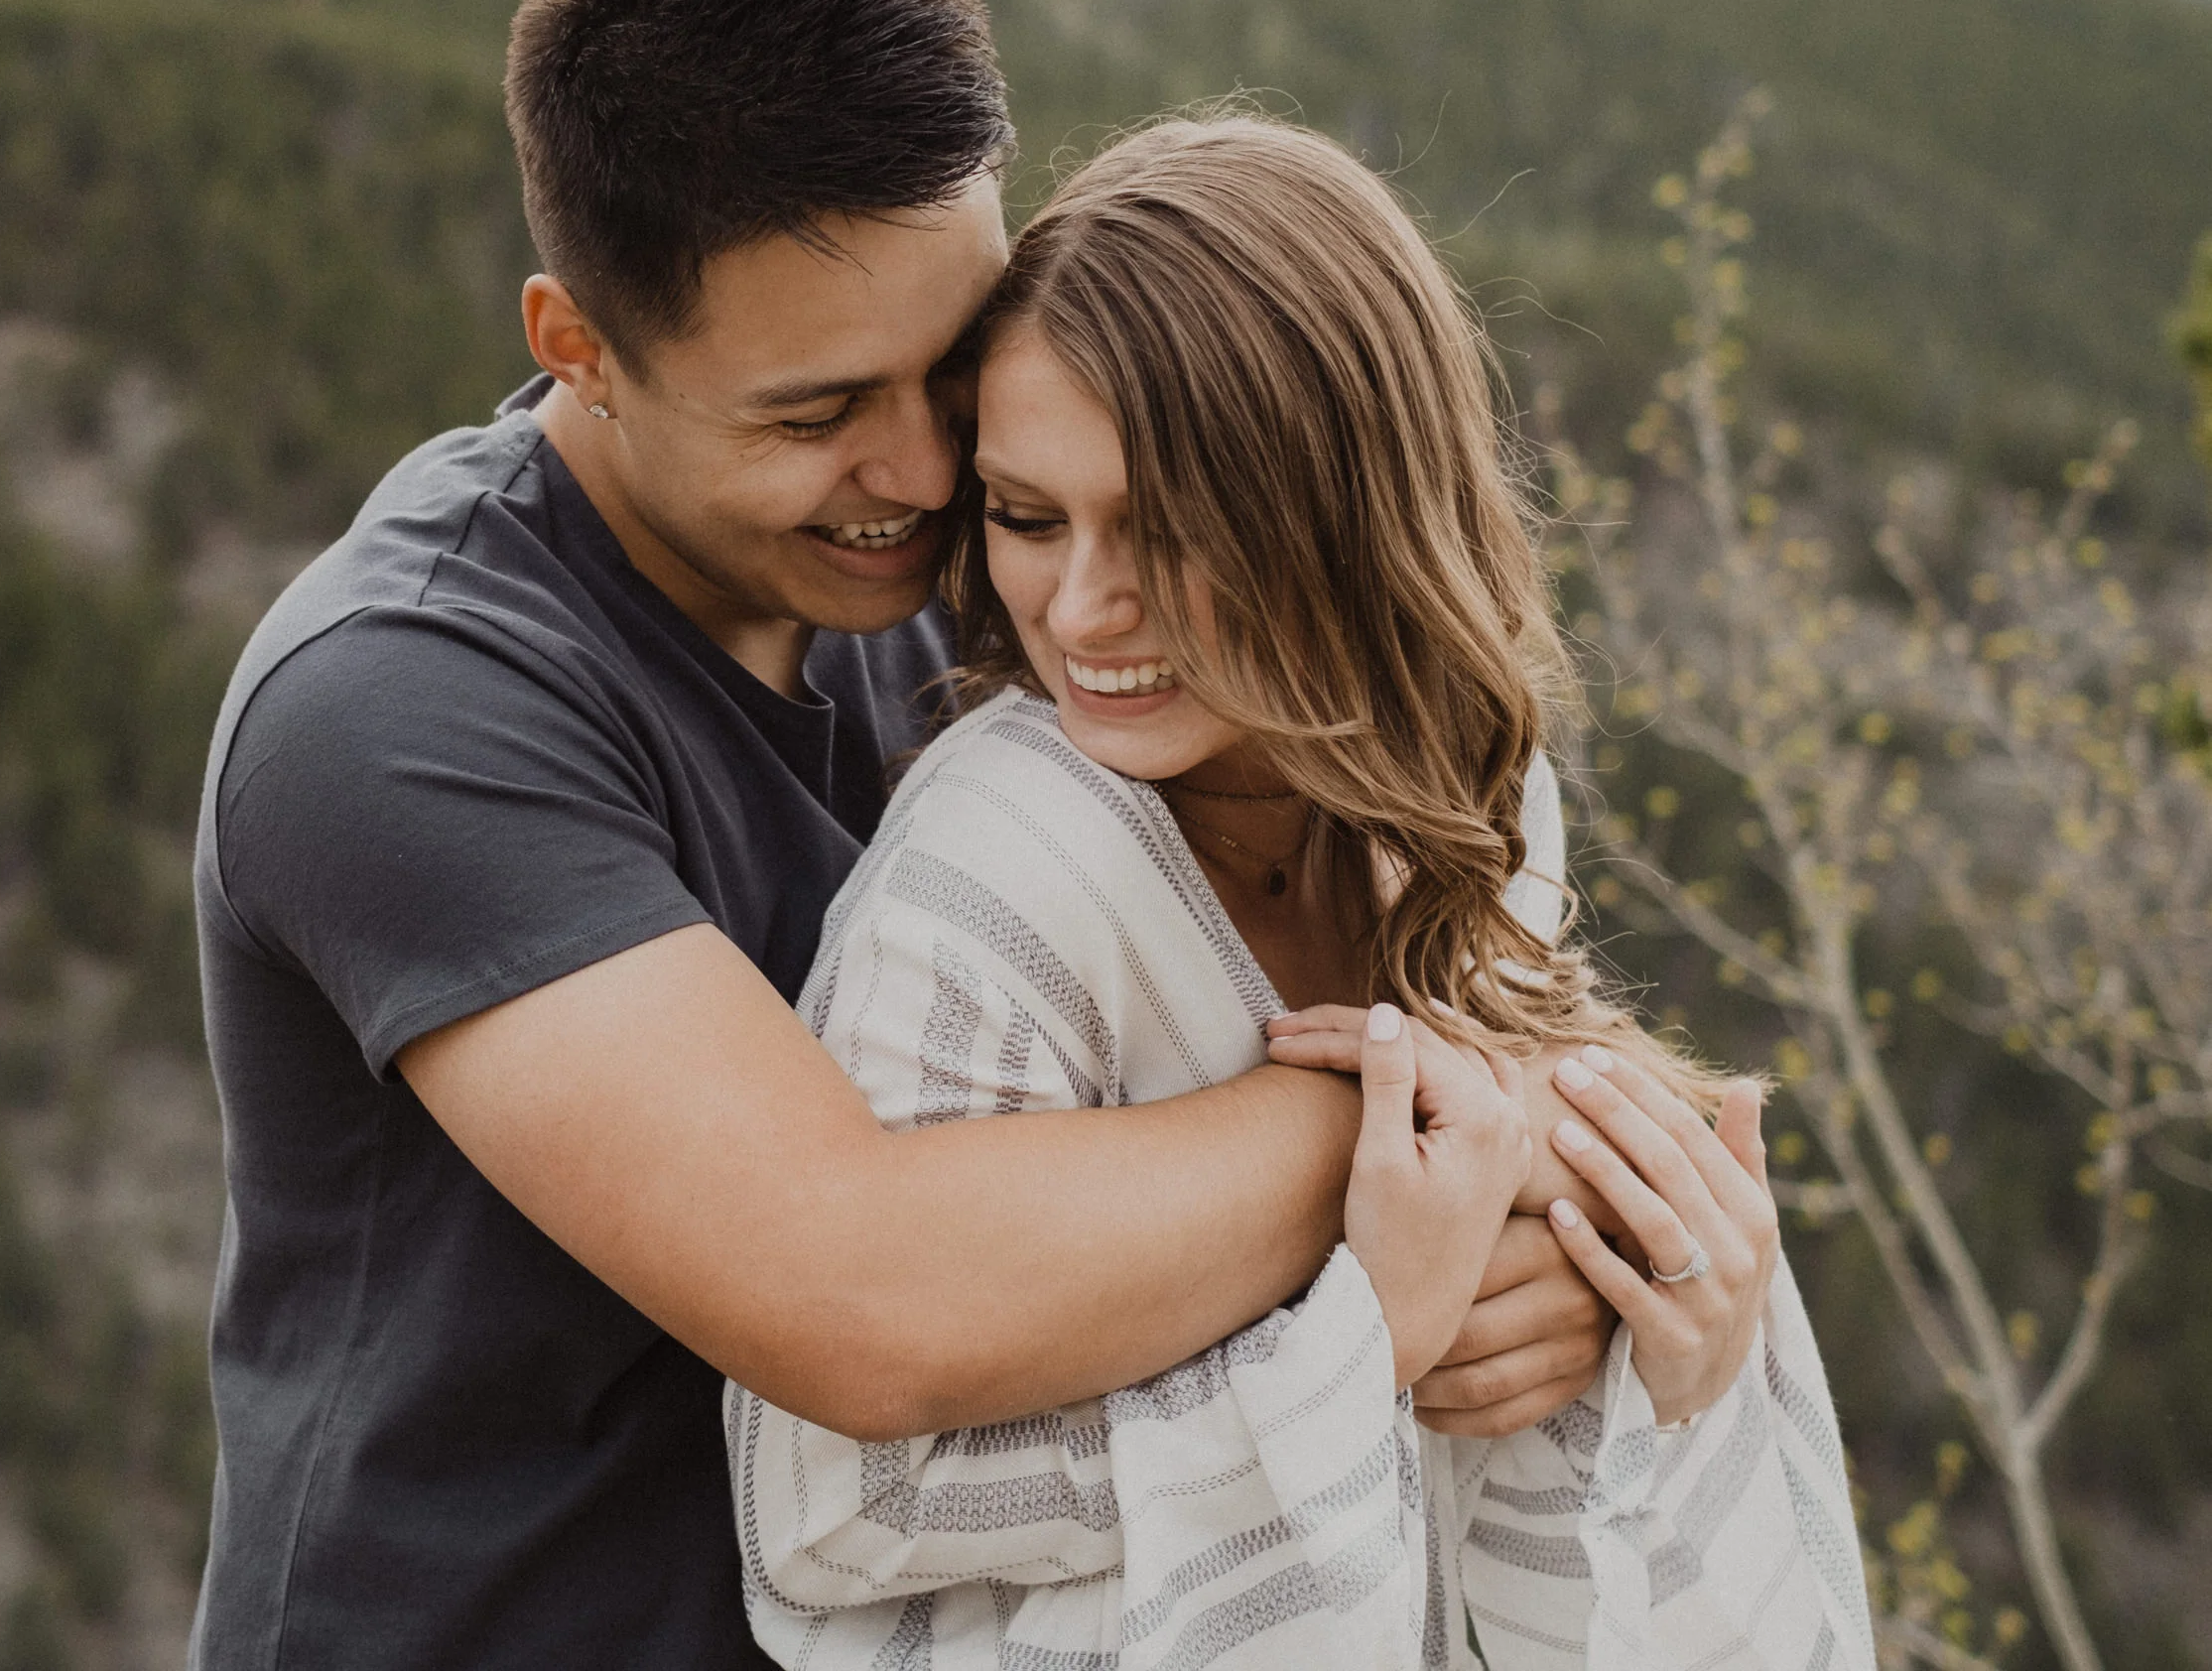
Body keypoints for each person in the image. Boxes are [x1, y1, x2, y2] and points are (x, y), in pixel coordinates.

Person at [187, 0, 1615, 1670]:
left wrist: (1567, 1246)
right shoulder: (397, 708)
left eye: (950, 369)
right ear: (578, 349)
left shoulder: (997, 552)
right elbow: (863, 1299)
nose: (923, 466)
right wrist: (1442, 1113)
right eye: (815, 413)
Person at [730, 115, 1876, 1670]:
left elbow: (1554, 1237)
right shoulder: (996, 886)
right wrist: (1364, 1352)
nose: (1081, 608)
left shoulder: (1470, 799)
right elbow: (834, 1507)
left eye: (1171, 529)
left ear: (1341, 512)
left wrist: (1662, 1310)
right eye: (1026, 516)